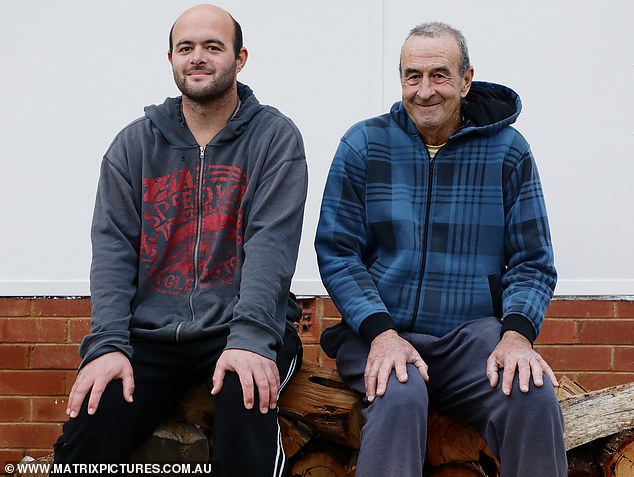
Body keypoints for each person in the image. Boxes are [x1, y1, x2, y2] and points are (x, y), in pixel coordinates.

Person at [53, 4, 308, 477]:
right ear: (170, 57)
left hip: (242, 326)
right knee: (90, 429)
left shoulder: (275, 138)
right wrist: (107, 345)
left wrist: (251, 339)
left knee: (245, 404)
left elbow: (271, 246)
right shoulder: (133, 146)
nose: (198, 57)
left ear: (240, 58)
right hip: (149, 336)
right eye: (186, 47)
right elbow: (112, 251)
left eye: (214, 46)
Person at [315, 22, 567, 476]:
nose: (424, 90)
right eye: (413, 76)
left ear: (467, 80)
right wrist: (380, 332)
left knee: (531, 395)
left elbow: (533, 261)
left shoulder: (509, 152)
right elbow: (337, 251)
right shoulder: (364, 145)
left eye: (439, 75)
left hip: (472, 337)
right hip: (380, 330)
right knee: (399, 392)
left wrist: (517, 334)